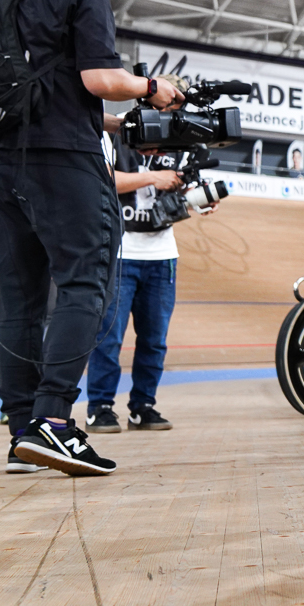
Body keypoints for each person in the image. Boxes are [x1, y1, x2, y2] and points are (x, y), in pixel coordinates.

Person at [0, 0, 186, 478]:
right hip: (64, 165)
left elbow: (48, 91)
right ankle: (55, 422)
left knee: (21, 296)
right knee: (85, 284)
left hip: (4, 164)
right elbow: (100, 76)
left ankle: (23, 429)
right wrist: (152, 89)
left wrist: (122, 122)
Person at [82, 118, 221, 434]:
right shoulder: (114, 136)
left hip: (162, 257)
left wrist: (201, 202)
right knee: (108, 337)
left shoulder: (182, 146)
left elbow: (184, 190)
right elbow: (103, 178)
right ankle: (100, 406)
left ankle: (143, 406)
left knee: (155, 340)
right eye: (169, 104)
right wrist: (152, 177)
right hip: (119, 252)